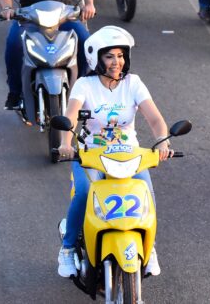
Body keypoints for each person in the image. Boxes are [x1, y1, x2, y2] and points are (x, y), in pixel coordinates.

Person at [55, 26, 170, 278]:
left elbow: (155, 119)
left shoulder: (133, 83)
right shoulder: (84, 85)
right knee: (84, 194)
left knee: (145, 197)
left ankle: (149, 250)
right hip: (91, 155)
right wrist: (65, 143)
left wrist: (162, 141)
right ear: (96, 58)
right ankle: (67, 248)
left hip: (129, 155)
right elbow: (71, 116)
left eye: (120, 56)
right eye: (110, 56)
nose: (116, 62)